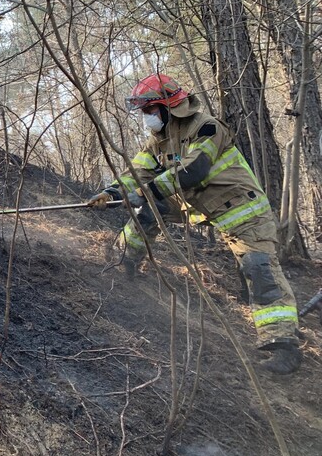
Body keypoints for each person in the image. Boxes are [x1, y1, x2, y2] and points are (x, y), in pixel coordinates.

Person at [87, 74, 302, 375]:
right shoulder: (159, 140)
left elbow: (194, 170)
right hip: (198, 203)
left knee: (259, 269)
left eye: (149, 110)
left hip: (243, 210)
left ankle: (283, 345)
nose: (146, 117)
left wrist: (145, 192)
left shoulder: (207, 127)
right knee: (150, 211)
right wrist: (112, 192)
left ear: (168, 106)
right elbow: (139, 171)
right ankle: (123, 262)